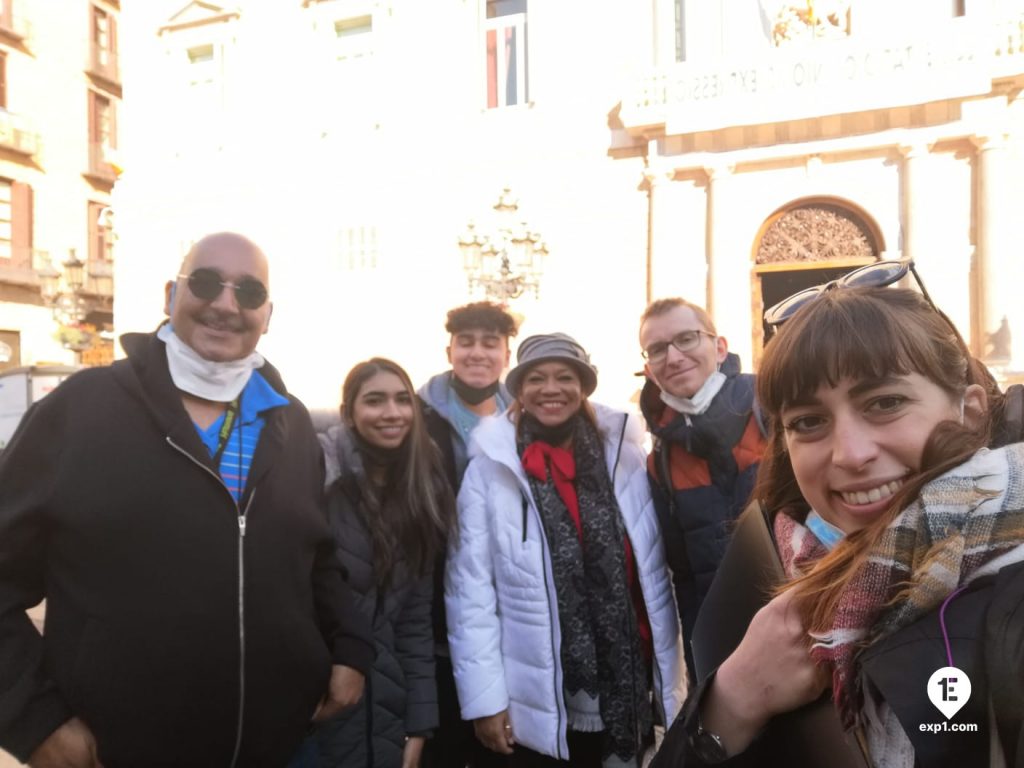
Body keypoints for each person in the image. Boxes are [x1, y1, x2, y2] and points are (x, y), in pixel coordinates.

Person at [0, 232, 374, 767]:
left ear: (267, 315)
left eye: (247, 292)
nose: (225, 303)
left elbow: (315, 557)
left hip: (282, 746)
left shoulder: (287, 420)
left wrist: (350, 649)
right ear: (170, 294)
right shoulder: (80, 411)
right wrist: (34, 722)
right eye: (205, 283)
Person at [653, 260, 1024, 768]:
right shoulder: (784, 574)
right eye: (809, 421)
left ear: (971, 408)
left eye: (885, 402)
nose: (849, 453)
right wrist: (733, 699)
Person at [446, 332, 686, 767]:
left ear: (583, 386)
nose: (551, 389)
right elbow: (469, 595)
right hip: (536, 691)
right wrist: (485, 701)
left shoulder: (625, 455)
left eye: (565, 377)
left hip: (629, 680)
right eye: (536, 378)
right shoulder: (490, 469)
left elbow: (654, 574)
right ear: (518, 389)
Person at [312, 358, 456, 768]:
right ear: (349, 415)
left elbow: (413, 625)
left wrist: (419, 727)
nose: (392, 413)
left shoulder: (422, 489)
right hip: (322, 702)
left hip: (389, 714)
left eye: (401, 400)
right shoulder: (319, 482)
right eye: (375, 401)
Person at [637, 298, 767, 681]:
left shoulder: (774, 408)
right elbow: (687, 577)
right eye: (658, 349)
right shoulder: (660, 459)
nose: (674, 357)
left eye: (687, 339)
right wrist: (701, 670)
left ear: (720, 346)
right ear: (648, 367)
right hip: (726, 651)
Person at [418, 301, 519, 768]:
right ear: (450, 350)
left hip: (504, 593)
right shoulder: (418, 417)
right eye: (467, 342)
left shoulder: (521, 420)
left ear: (506, 353)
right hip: (431, 590)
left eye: (489, 343)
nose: (478, 353)